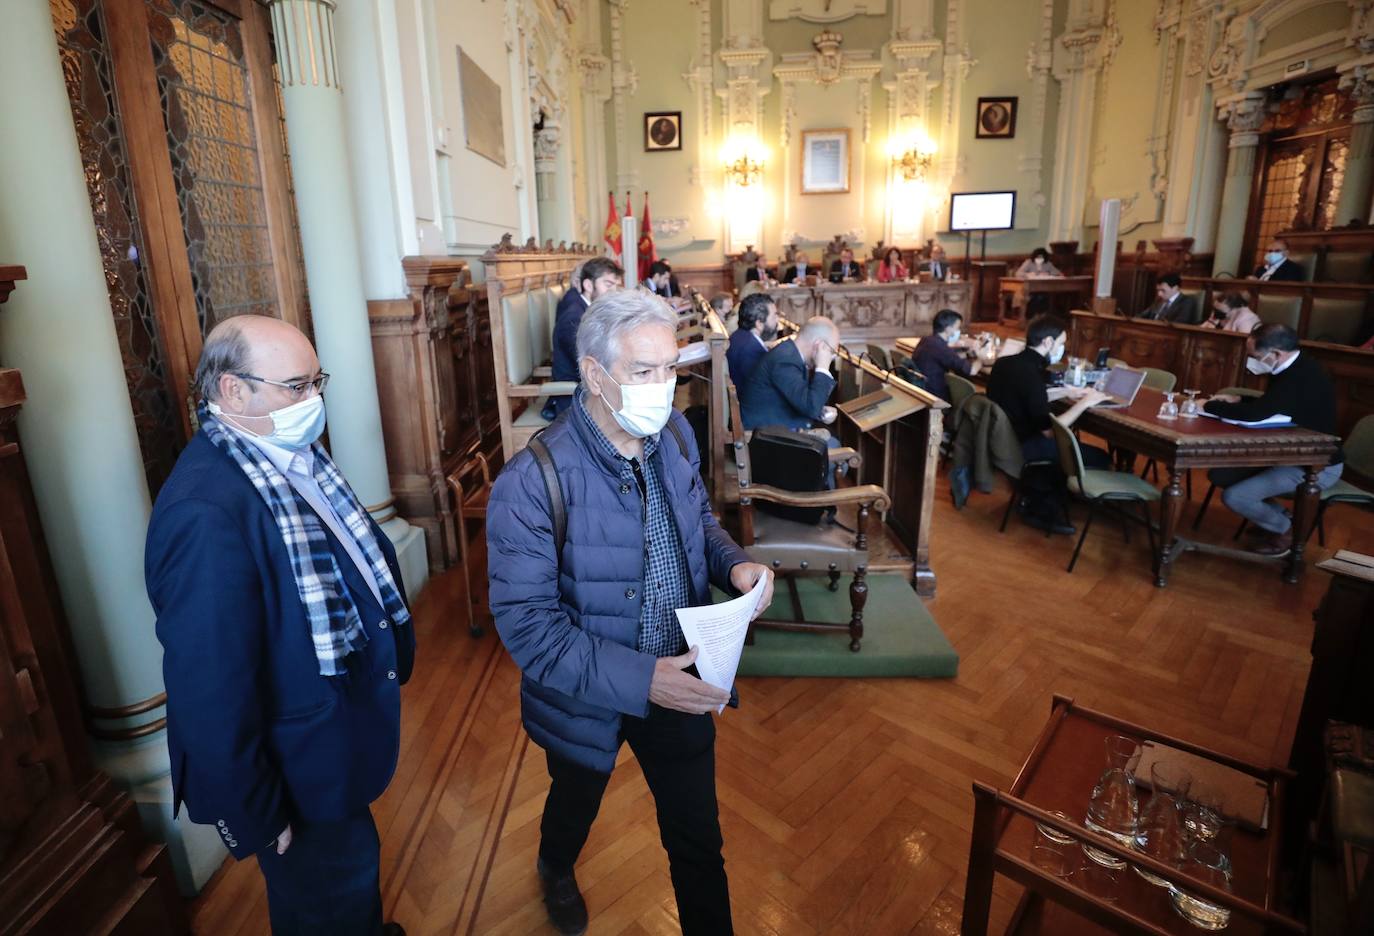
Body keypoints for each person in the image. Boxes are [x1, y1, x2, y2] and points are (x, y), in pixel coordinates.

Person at [486, 290, 774, 936]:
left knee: (699, 842)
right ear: (594, 375)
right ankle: (554, 866)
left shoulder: (671, 433)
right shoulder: (533, 482)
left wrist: (734, 565)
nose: (664, 387)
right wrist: (644, 680)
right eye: (644, 373)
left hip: (680, 673)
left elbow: (698, 519)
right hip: (589, 692)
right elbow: (529, 628)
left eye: (671, 369)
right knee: (575, 802)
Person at [145, 316, 414, 936]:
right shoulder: (204, 512)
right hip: (290, 768)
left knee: (349, 878)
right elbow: (208, 688)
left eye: (317, 381)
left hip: (328, 738)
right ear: (232, 391)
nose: (313, 401)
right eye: (295, 387)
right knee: (323, 904)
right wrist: (256, 813)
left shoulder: (285, 455)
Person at [1203, 324, 1344, 556]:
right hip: (1287, 452)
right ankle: (1280, 516)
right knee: (1221, 474)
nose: (1251, 362)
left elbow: (1256, 414)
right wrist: (1240, 398)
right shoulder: (1292, 367)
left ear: (1276, 354)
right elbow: (1272, 403)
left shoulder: (1301, 375)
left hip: (1315, 464)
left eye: (1254, 357)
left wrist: (1209, 405)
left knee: (1234, 496)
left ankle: (1287, 529)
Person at [986, 314, 1110, 534]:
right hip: (1025, 446)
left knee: (1083, 452)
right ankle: (1047, 502)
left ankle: (1046, 494)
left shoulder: (1006, 363)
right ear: (1048, 342)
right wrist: (1084, 403)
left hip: (1004, 438)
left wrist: (1064, 392)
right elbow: (1050, 432)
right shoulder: (1031, 374)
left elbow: (1022, 396)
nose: (1062, 349)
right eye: (1061, 343)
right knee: (1101, 457)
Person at [546, 257, 624, 419]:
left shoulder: (588, 309)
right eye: (608, 285)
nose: (614, 291)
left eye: (616, 285)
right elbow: (589, 362)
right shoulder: (573, 317)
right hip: (573, 396)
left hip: (589, 388)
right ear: (588, 285)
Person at [741, 316, 840, 433]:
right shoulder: (785, 360)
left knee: (831, 440)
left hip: (773, 430)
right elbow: (811, 407)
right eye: (831, 352)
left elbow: (800, 398)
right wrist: (823, 368)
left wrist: (820, 411)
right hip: (764, 438)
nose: (832, 358)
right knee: (837, 444)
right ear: (819, 345)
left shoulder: (789, 354)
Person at [910, 309, 980, 403]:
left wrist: (965, 353)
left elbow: (945, 355)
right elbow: (972, 370)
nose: (958, 331)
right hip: (934, 395)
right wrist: (980, 358)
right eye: (957, 328)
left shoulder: (927, 340)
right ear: (948, 328)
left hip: (921, 387)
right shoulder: (940, 348)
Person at [726, 293, 778, 394]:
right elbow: (764, 389)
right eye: (774, 316)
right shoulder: (750, 349)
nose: (777, 320)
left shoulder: (739, 336)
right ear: (759, 324)